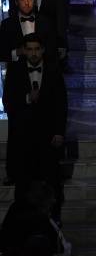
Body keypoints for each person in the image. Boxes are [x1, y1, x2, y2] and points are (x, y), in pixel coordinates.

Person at [2, 33, 67, 208]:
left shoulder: (53, 70)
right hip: (23, 136)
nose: (33, 53)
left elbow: (61, 104)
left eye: (37, 49)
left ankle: (54, 216)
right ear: (24, 50)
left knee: (51, 181)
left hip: (48, 136)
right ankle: (22, 220)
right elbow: (8, 101)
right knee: (23, 182)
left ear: (43, 50)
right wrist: (27, 99)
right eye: (29, 49)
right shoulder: (14, 71)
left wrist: (59, 132)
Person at [0, 0, 56, 65]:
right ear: (16, 2)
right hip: (16, 73)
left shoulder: (47, 23)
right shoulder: (7, 25)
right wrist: (17, 52)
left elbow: (53, 51)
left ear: (35, 1)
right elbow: (2, 54)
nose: (26, 3)